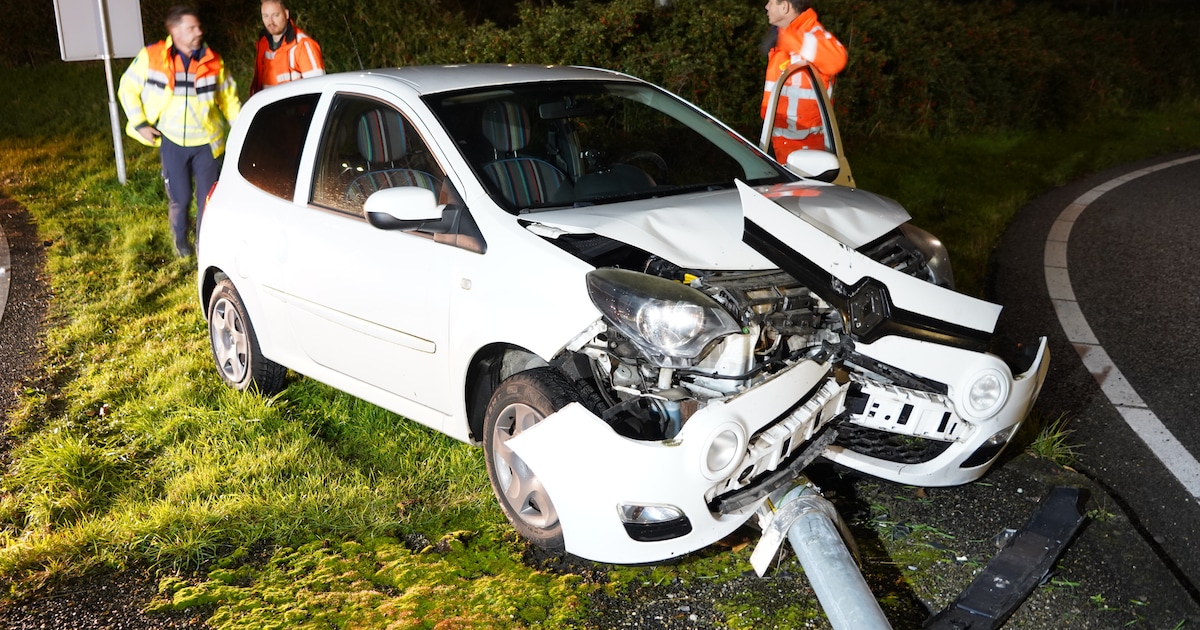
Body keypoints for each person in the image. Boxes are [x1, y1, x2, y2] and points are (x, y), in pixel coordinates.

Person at [118, 5, 241, 257]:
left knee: (208, 200)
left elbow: (228, 99)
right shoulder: (152, 56)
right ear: (174, 31)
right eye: (191, 28)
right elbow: (127, 87)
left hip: (207, 143)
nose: (199, 32)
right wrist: (140, 123)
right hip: (172, 141)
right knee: (181, 199)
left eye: (198, 26)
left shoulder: (213, 60)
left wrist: (241, 128)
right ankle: (181, 242)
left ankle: (204, 247)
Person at [760, 0, 847, 164]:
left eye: (770, 2)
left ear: (785, 6)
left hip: (806, 149)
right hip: (780, 143)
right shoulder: (784, 35)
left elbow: (837, 58)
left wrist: (787, 39)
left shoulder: (810, 33)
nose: (766, 6)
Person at [251, 0, 325, 95]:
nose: (270, 22)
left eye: (276, 15)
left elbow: (318, 89)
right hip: (271, 108)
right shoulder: (263, 44)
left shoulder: (303, 45)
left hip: (296, 108)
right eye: (265, 16)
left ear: (286, 14)